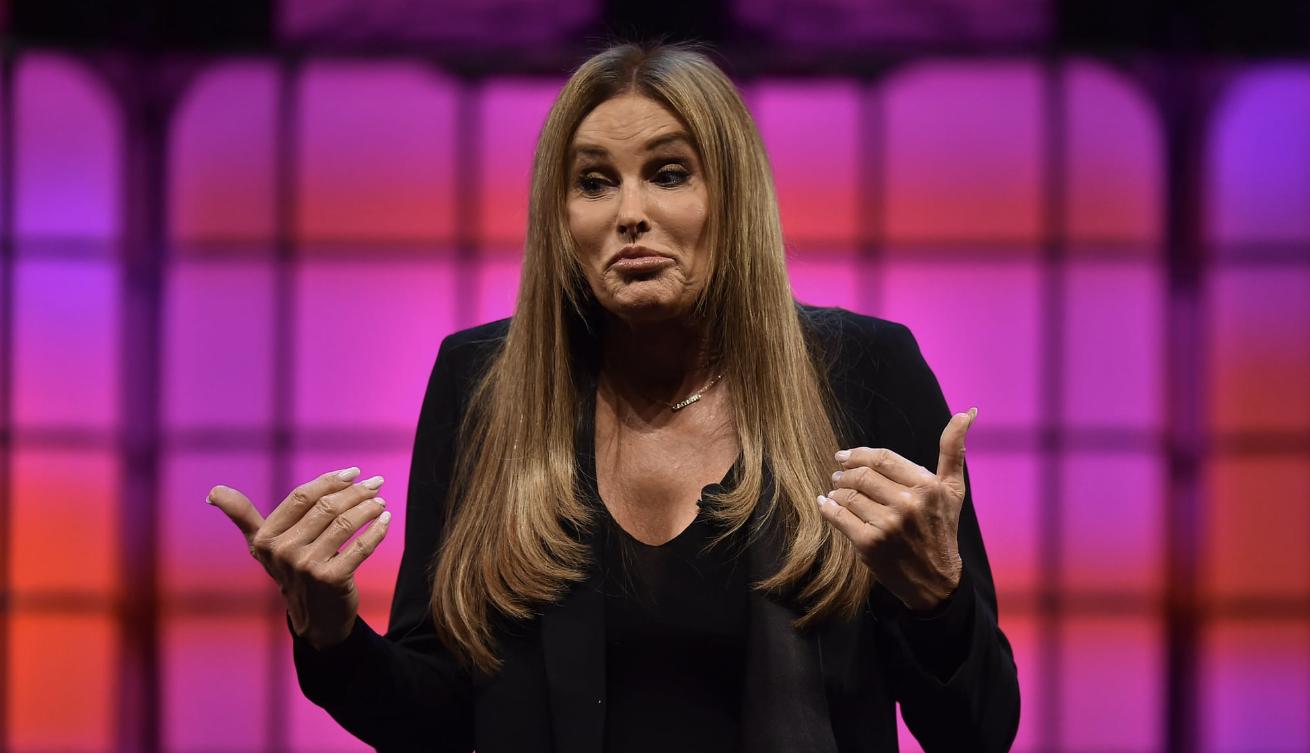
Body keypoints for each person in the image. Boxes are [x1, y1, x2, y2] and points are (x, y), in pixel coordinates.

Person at [209, 42, 1020, 752]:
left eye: (669, 174)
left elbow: (979, 730)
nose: (630, 214)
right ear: (561, 218)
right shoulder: (481, 385)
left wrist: (937, 599)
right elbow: (434, 716)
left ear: (732, 198)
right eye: (594, 183)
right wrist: (330, 630)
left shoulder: (864, 370)